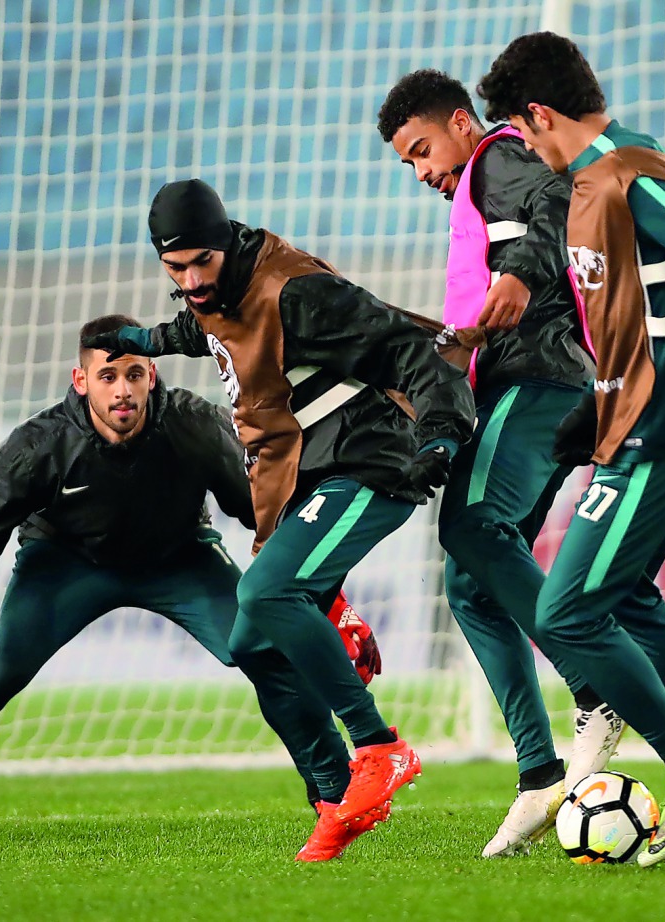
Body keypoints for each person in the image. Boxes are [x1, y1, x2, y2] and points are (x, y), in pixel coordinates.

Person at [0, 314, 382, 833]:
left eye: (134, 375)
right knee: (0, 670)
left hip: (180, 558)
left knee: (265, 647)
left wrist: (334, 607)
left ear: (152, 377)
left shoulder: (193, 424)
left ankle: (335, 795)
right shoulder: (39, 446)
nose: (123, 391)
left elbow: (269, 515)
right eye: (107, 377)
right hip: (66, 563)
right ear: (80, 381)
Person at [83, 178, 476, 862]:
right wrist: (142, 337)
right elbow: (198, 328)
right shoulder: (214, 294)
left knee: (265, 592)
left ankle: (381, 751)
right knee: (254, 641)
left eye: (200, 263)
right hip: (317, 475)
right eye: (175, 269)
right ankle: (335, 796)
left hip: (371, 459)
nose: (191, 280)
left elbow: (403, 349)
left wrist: (440, 431)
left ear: (226, 241)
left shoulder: (296, 291)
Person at [477, 32, 665, 866]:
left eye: (524, 133)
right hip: (628, 420)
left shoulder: (624, 171)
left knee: (569, 611)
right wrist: (594, 410)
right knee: (628, 597)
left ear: (539, 113)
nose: (526, 148)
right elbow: (633, 316)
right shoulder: (593, 183)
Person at [377, 69, 625, 858]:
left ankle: (596, 685)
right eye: (406, 163)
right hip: (526, 381)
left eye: (420, 150)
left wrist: (519, 273)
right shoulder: (476, 189)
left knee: (474, 526)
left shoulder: (500, 158)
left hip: (541, 375)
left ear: (459, 123)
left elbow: (559, 202)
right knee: (468, 582)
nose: (420, 171)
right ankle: (538, 773)